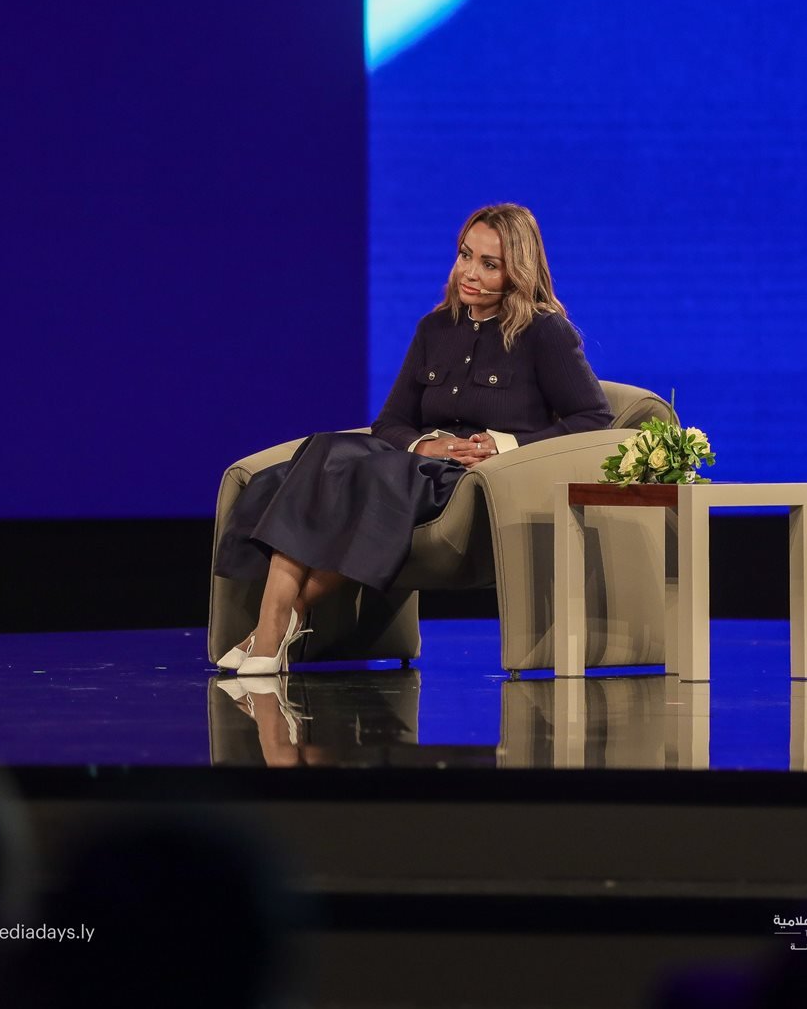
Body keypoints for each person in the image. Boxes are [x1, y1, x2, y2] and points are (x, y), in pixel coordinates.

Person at [213, 202, 614, 674]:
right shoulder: (435, 328)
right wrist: (423, 444)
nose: (470, 273)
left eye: (490, 265)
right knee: (324, 451)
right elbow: (390, 422)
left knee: (362, 475)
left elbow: (595, 418)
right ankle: (280, 621)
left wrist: (504, 446)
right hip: (412, 463)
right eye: (465, 255)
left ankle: (273, 627)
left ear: (519, 273)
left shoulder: (544, 332)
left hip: (464, 481)